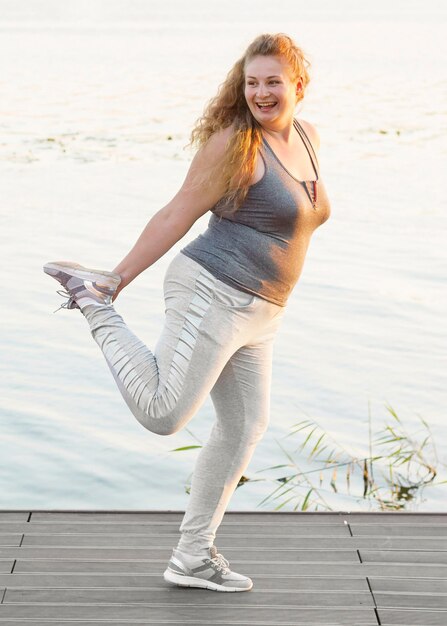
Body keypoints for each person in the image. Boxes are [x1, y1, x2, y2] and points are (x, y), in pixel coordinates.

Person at [43, 32, 331, 592]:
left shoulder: (308, 136)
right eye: (252, 82)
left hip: (264, 311)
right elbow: (176, 212)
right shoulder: (235, 144)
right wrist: (117, 280)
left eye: (273, 81)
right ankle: (91, 301)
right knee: (163, 415)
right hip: (212, 291)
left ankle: (192, 558)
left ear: (299, 85)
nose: (261, 93)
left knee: (245, 425)